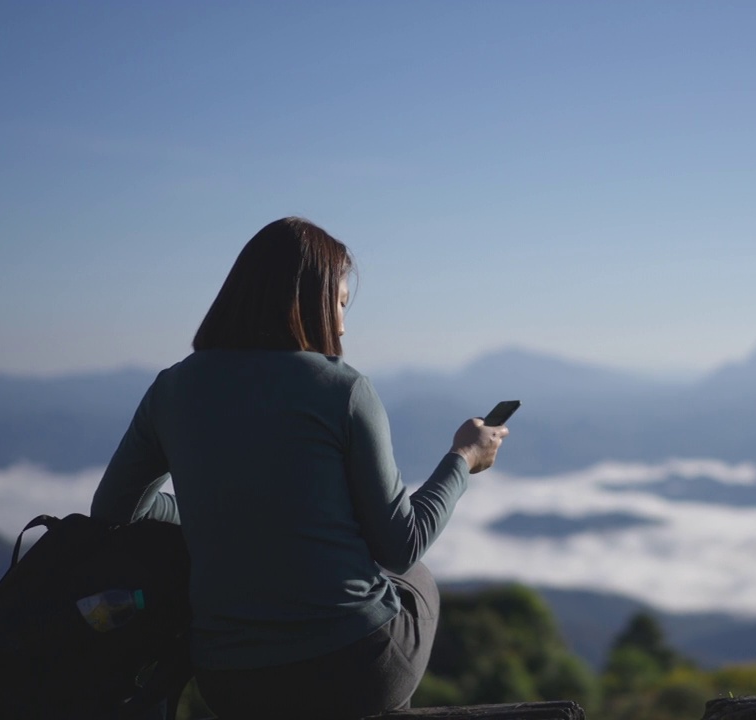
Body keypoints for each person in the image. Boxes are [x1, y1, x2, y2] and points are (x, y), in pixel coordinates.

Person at [90, 217, 507, 719]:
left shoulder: (172, 389)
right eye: (340, 303)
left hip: (230, 681)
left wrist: (212, 512)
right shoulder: (342, 390)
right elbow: (402, 544)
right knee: (416, 579)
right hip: (352, 667)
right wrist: (463, 458)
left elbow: (113, 508)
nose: (345, 323)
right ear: (307, 301)